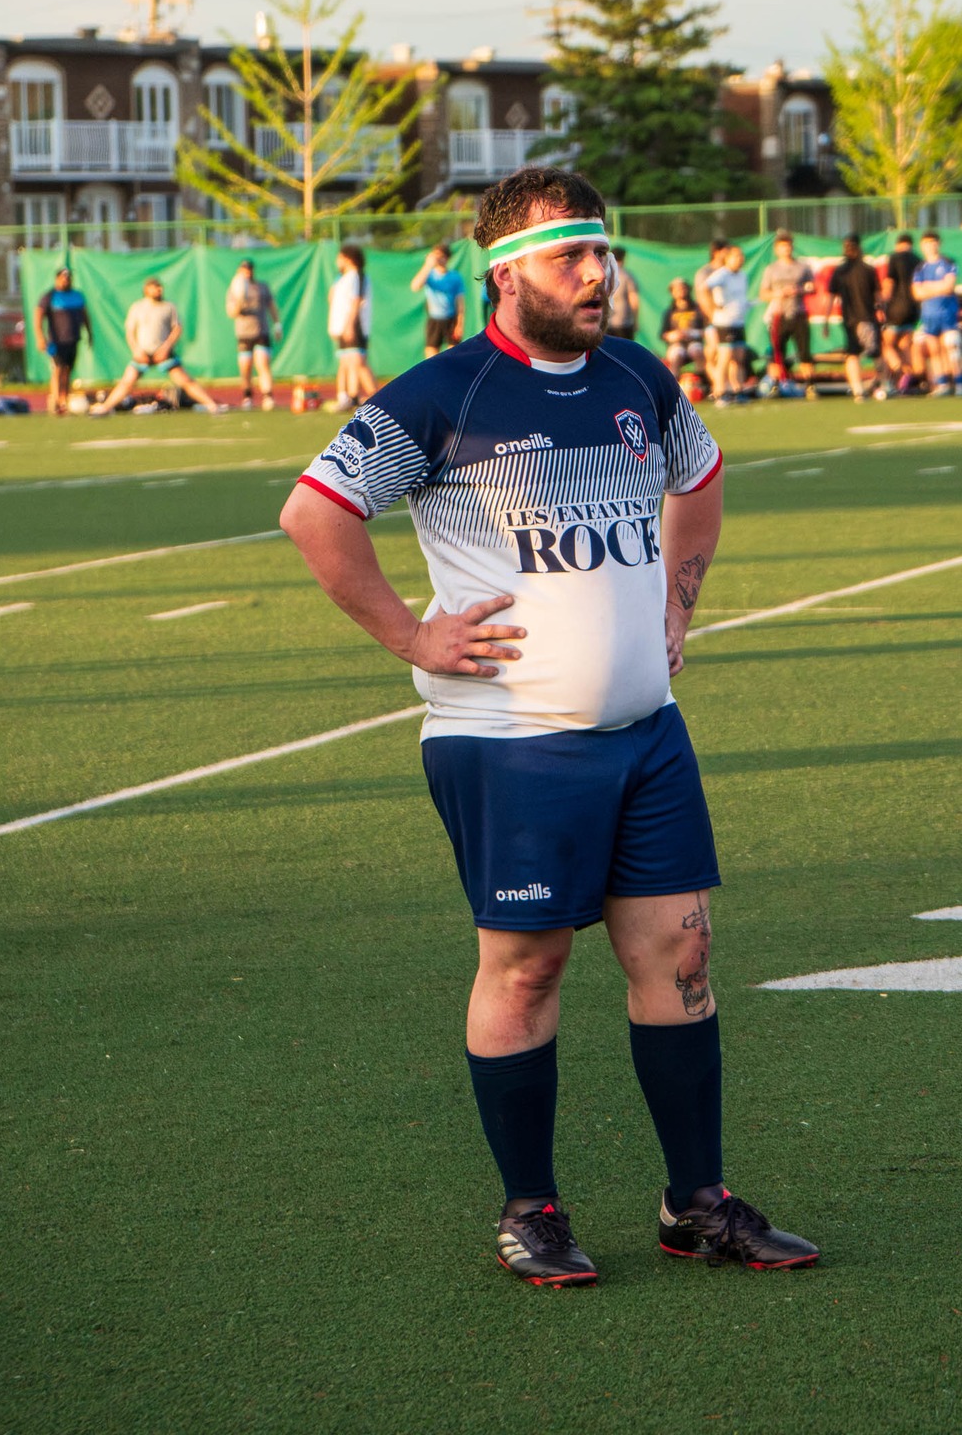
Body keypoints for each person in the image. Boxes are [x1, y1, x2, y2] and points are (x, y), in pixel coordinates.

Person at [281, 164, 818, 1287]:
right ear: (505, 269)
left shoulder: (639, 377)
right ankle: (531, 1208)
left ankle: (696, 1201)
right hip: (510, 740)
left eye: (604, 252)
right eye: (573, 255)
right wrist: (411, 637)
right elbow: (314, 512)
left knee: (681, 951)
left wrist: (679, 599)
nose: (598, 274)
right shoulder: (441, 394)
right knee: (526, 966)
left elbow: (702, 476)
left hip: (648, 732)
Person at [90, 276, 224, 415]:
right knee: (127, 382)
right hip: (142, 354)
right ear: (147, 289)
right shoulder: (137, 307)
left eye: (160, 287)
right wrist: (136, 350)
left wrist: (166, 348)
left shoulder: (168, 307)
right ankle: (105, 408)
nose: (159, 290)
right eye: (155, 287)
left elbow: (177, 329)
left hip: (163, 354)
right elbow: (130, 332)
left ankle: (211, 405)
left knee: (185, 380)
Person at [759, 232, 815, 397]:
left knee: (804, 352)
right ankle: (775, 385)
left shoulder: (802, 267)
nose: (786, 249)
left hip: (799, 314)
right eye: (783, 246)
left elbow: (812, 287)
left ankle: (809, 385)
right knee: (777, 352)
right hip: (779, 315)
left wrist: (799, 290)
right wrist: (779, 294)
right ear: (777, 249)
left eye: (789, 246)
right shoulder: (771, 269)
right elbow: (763, 294)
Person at [828, 235, 883, 403]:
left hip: (858, 318)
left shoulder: (863, 270)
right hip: (859, 319)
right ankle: (867, 388)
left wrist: (825, 320)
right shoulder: (847, 271)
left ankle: (865, 389)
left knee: (861, 355)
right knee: (863, 355)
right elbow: (878, 297)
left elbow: (877, 296)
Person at [695, 241, 751, 402]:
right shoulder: (722, 274)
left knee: (739, 358)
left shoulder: (742, 275)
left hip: (738, 322)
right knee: (724, 357)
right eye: (736, 256)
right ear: (728, 258)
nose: (740, 259)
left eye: (741, 255)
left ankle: (738, 390)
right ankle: (720, 393)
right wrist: (713, 308)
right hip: (724, 323)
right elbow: (703, 288)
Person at [912, 232, 962, 397]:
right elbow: (917, 293)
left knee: (951, 346)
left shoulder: (948, 263)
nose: (930, 246)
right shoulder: (920, 268)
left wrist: (927, 287)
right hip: (929, 314)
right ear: (922, 246)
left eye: (933, 242)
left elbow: (948, 287)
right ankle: (942, 384)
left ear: (939, 244)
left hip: (947, 312)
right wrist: (937, 287)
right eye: (927, 243)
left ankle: (960, 383)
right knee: (933, 350)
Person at [35, 266, 92, 415]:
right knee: (58, 369)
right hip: (56, 341)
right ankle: (56, 400)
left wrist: (89, 333)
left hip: (73, 339)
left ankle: (63, 399)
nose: (65, 280)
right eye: (62, 277)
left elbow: (85, 315)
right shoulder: (50, 296)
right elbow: (38, 316)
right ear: (57, 278)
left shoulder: (77, 295)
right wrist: (40, 337)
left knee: (67, 370)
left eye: (68, 277)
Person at [226, 258, 281, 409]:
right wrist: (239, 300)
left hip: (261, 331)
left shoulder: (261, 287)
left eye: (249, 269)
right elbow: (232, 312)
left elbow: (271, 306)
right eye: (244, 269)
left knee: (263, 363)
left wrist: (277, 325)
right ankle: (247, 396)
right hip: (244, 333)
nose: (247, 272)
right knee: (246, 367)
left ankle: (268, 396)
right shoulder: (234, 288)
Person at [328, 244, 376, 410]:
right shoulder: (343, 278)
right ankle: (347, 397)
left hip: (355, 326)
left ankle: (375, 397)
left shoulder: (357, 276)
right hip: (343, 326)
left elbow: (356, 301)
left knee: (358, 362)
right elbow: (333, 299)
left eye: (339, 257)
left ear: (348, 258)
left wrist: (349, 325)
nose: (337, 261)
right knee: (346, 362)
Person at [410, 243, 467, 358]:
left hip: (451, 320)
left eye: (440, 256)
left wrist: (459, 324)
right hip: (434, 320)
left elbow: (460, 302)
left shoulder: (455, 277)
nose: (437, 259)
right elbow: (415, 286)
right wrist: (427, 265)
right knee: (430, 356)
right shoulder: (429, 275)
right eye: (435, 255)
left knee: (453, 356)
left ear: (446, 258)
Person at [880, 232, 919, 393]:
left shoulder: (895, 258)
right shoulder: (918, 260)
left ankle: (899, 370)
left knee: (885, 344)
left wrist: (881, 304)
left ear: (898, 245)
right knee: (904, 345)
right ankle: (906, 381)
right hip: (914, 310)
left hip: (897, 309)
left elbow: (889, 283)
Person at [658, 278, 707, 380]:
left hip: (694, 342)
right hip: (676, 344)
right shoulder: (669, 312)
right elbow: (663, 334)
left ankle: (702, 380)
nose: (681, 292)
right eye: (677, 290)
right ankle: (674, 382)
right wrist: (674, 335)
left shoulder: (697, 309)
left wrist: (692, 333)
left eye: (683, 288)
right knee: (677, 354)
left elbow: (706, 330)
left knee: (697, 351)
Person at [606, 247, 641, 341]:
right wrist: (636, 320)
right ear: (624, 258)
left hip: (606, 321)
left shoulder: (603, 274)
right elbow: (633, 299)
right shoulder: (627, 276)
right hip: (624, 321)